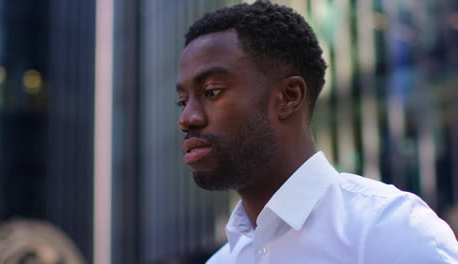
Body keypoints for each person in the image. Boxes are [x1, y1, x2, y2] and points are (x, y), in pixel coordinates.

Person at [175, 1, 458, 263]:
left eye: (211, 92)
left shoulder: (387, 230)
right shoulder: (222, 260)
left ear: (289, 96)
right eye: (183, 101)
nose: (187, 118)